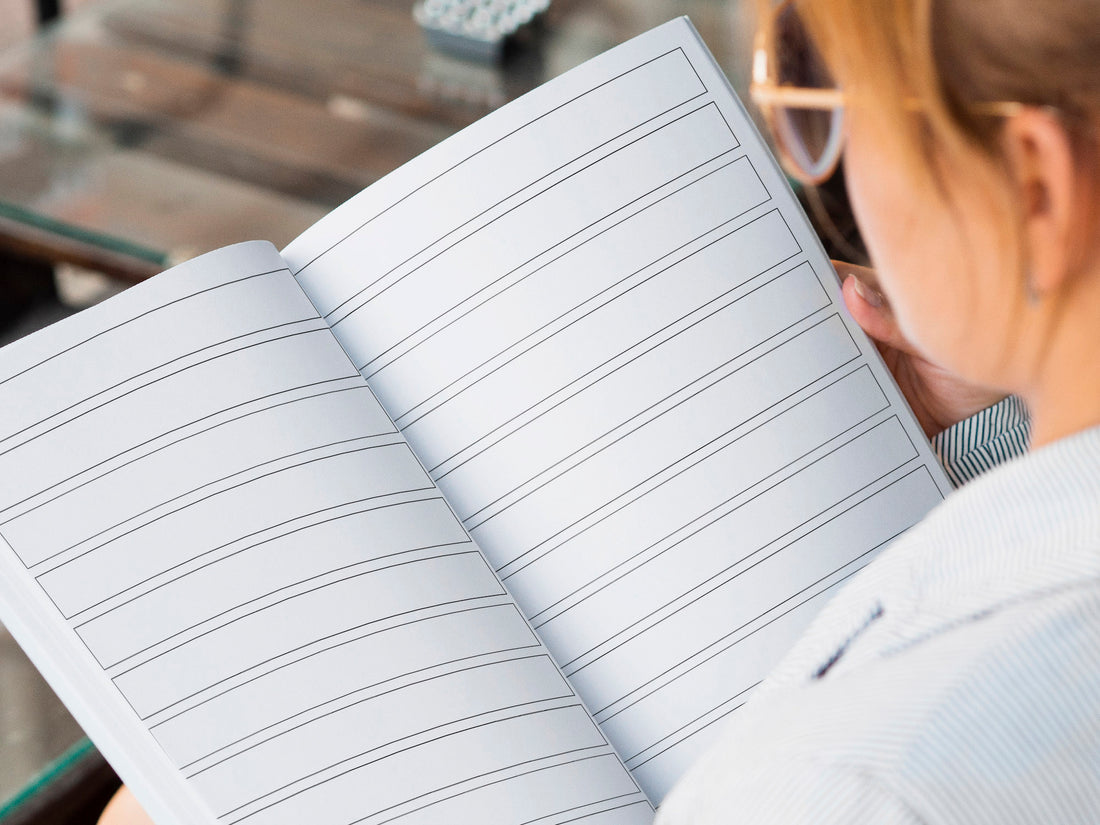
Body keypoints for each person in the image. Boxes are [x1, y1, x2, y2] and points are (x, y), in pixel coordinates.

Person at [100, 0, 1099, 821]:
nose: (816, 169)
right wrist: (1017, 384)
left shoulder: (853, 786)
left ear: (1032, 184)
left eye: (822, 113)